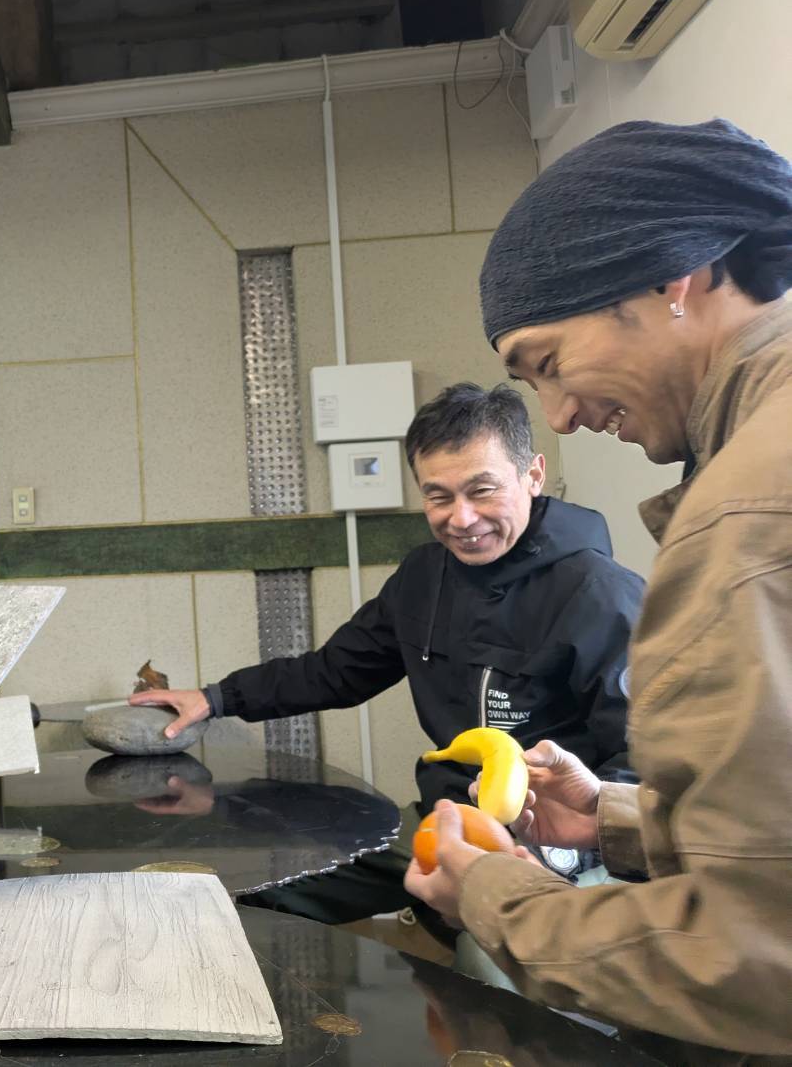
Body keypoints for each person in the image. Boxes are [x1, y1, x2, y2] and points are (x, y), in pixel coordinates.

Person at [404, 119, 792, 1059]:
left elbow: (755, 957)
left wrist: (495, 894)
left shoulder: (745, 511)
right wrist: (622, 817)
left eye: (548, 364)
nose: (562, 413)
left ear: (672, 277)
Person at [132, 383, 642, 925]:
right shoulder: (424, 577)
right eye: (438, 497)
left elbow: (645, 761)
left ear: (533, 475)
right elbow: (335, 672)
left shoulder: (602, 594)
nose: (462, 519)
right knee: (266, 891)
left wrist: (581, 844)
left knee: (491, 957)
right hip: (443, 818)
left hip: (559, 840)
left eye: (482, 490)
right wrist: (216, 698)